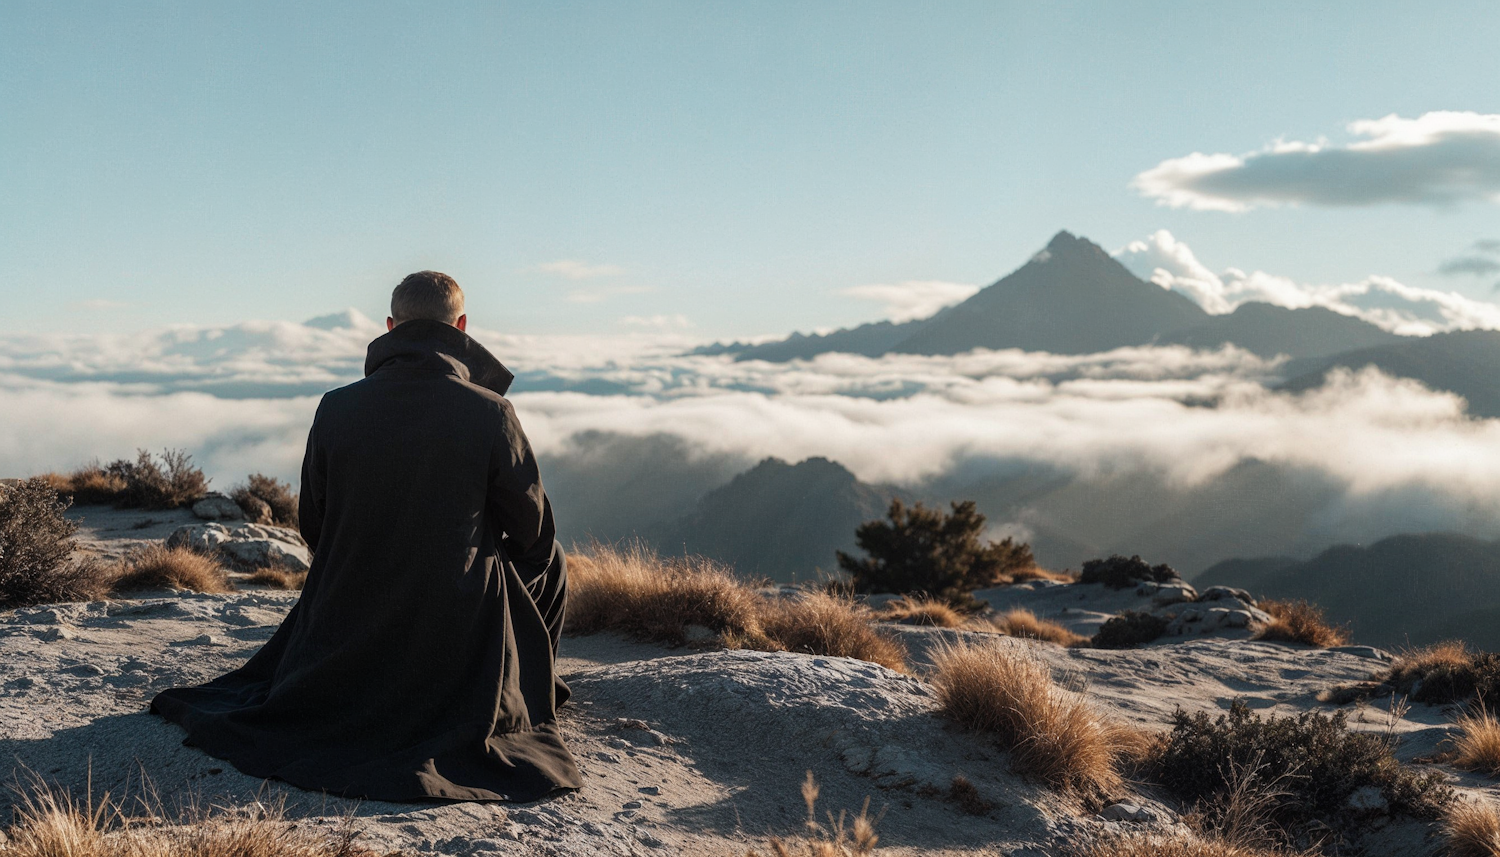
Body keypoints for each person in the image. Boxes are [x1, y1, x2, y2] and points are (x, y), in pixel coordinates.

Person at [151, 271, 580, 802]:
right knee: (555, 560)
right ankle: (525, 686)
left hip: (347, 606)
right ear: (462, 328)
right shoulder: (491, 412)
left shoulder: (336, 406)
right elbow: (534, 534)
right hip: (455, 619)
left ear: (390, 326)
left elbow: (314, 523)